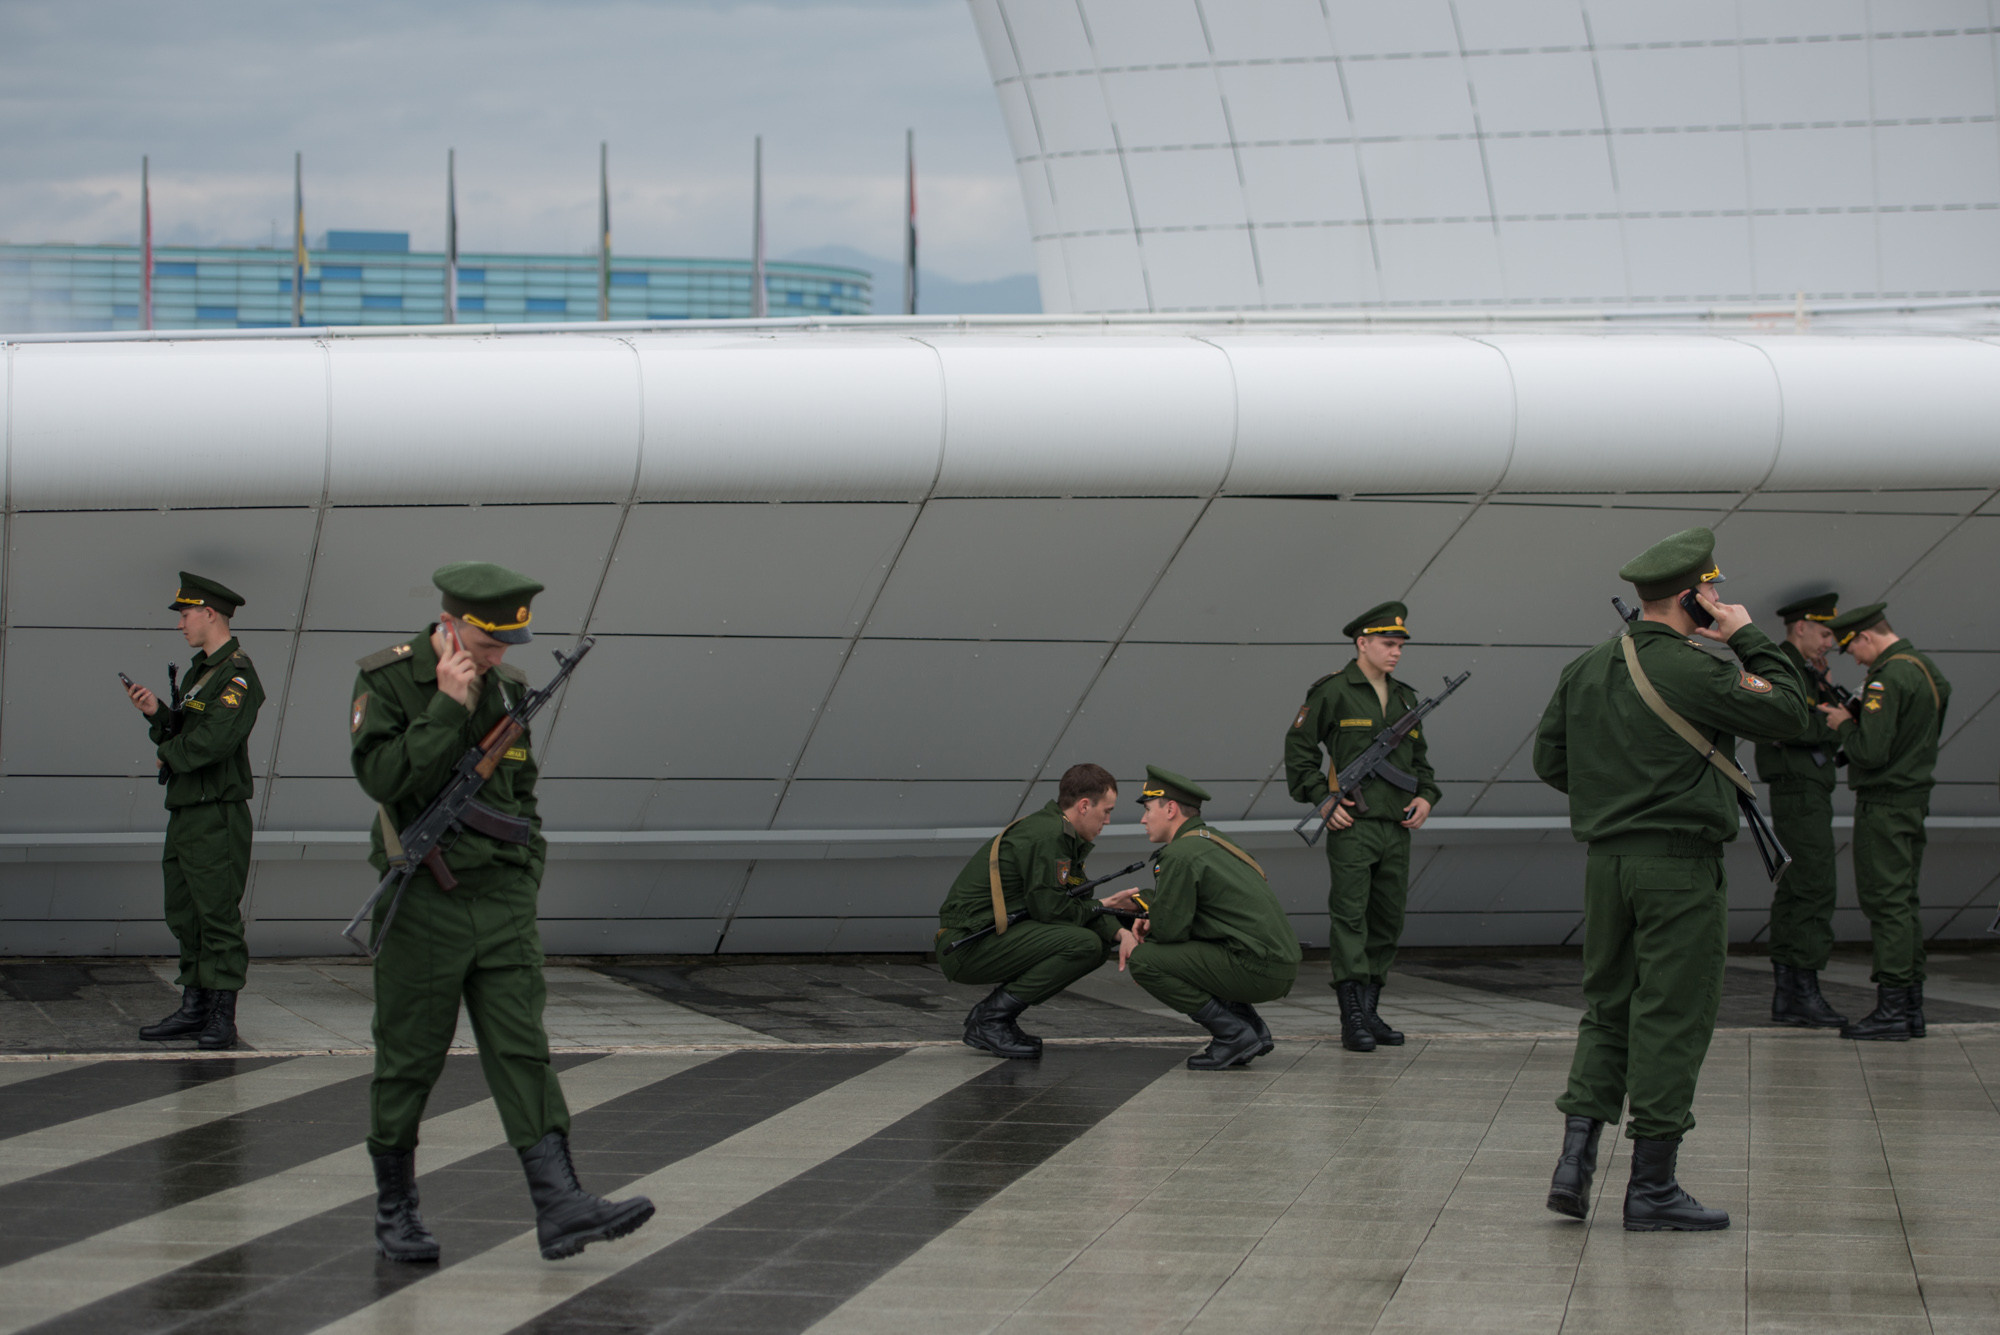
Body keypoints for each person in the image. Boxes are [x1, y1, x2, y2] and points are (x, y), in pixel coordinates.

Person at [351, 562, 653, 1264]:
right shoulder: (388, 680)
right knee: (409, 1060)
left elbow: (521, 800)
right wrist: (447, 709)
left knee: (523, 1048)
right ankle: (396, 1209)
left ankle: (560, 1204)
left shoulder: (512, 689)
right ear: (451, 624)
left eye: (506, 643)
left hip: (503, 901)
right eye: (488, 643)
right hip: (423, 901)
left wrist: (527, 875)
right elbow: (382, 778)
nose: (498, 657)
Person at [1534, 528, 1808, 1231]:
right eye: (1712, 590)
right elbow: (1787, 711)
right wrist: (1747, 638)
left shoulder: (1588, 667)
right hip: (1678, 866)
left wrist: (1617, 791)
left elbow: (1551, 760)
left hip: (1608, 863)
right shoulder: (1696, 668)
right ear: (1691, 594)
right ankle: (1652, 1186)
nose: (1720, 599)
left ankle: (1575, 1164)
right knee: (1672, 1014)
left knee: (1608, 1009)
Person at [1283, 600, 1440, 1053]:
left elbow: (1420, 762)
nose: (1396, 652)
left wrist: (1427, 796)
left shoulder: (1407, 696)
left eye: (1399, 645)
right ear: (1363, 642)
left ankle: (1371, 1009)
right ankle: (1351, 1014)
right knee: (1351, 918)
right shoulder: (1333, 692)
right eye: (1388, 644)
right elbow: (1299, 749)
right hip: (1354, 824)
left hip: (1396, 826)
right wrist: (1323, 799)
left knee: (1387, 920)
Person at [124, 573, 264, 1050]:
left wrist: (170, 754)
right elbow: (187, 730)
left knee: (218, 914)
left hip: (216, 814)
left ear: (210, 613)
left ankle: (222, 1017)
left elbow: (214, 741)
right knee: (185, 912)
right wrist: (158, 715)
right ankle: (195, 1007)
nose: (181, 622)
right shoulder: (198, 673)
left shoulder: (237, 675)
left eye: (186, 613)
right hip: (188, 809)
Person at [937, 763, 1143, 1058]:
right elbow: (1053, 910)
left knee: (1094, 947)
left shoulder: (1058, 833)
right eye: (1106, 811)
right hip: (967, 945)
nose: (1108, 821)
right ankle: (990, 1019)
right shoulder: (1050, 836)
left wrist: (1120, 933)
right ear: (1085, 806)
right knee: (1083, 944)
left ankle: (998, 1018)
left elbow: (1077, 905)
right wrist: (1104, 906)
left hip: (984, 938)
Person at [1822, 602, 1951, 1041]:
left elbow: (1871, 753)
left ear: (1865, 637)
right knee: (1905, 901)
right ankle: (1910, 1005)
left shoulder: (1886, 678)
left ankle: (1893, 1009)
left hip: (1885, 803)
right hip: (1914, 797)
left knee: (1886, 902)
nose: (1856, 659)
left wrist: (1843, 725)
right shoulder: (1925, 669)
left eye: (1853, 649)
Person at [1124, 767, 1302, 1071]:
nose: (1143, 819)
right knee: (1197, 952)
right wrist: (1148, 904)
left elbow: (1170, 932)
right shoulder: (1213, 840)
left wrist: (1139, 911)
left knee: (1145, 960)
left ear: (1170, 809)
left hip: (1258, 968)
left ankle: (1232, 1034)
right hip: (1276, 965)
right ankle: (1250, 1028)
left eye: (1148, 809)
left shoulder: (1181, 853)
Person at [1749, 593, 1848, 1028]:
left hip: (1807, 787)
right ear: (1801, 626)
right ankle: (1799, 992)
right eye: (1825, 633)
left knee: (1802, 886)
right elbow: (1776, 720)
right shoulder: (1780, 664)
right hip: (1798, 788)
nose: (1830, 642)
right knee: (1813, 885)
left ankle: (1793, 993)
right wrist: (1832, 725)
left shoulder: (1804, 670)